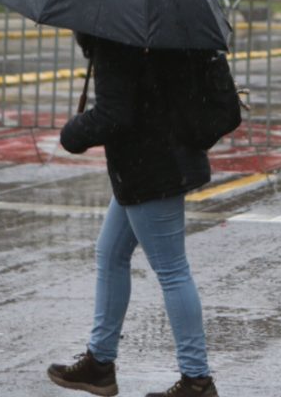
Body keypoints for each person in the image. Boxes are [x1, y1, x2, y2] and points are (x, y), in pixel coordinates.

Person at [47, 35, 219, 397]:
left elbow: (114, 114)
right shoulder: (157, 27)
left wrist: (72, 133)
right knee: (110, 253)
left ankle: (197, 379)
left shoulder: (116, 38)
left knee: (172, 271)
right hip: (157, 160)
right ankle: (99, 364)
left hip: (151, 167)